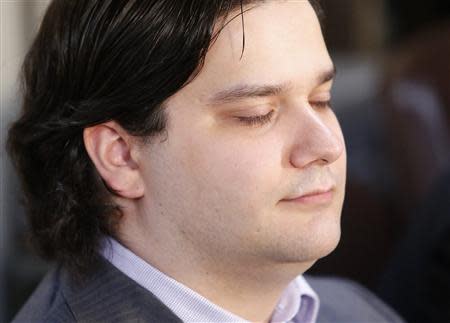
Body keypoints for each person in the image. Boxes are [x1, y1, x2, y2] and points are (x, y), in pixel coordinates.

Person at [7, 1, 403, 322]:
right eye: (257, 113)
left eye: (322, 99)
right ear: (122, 156)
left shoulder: (357, 311)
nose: (327, 144)